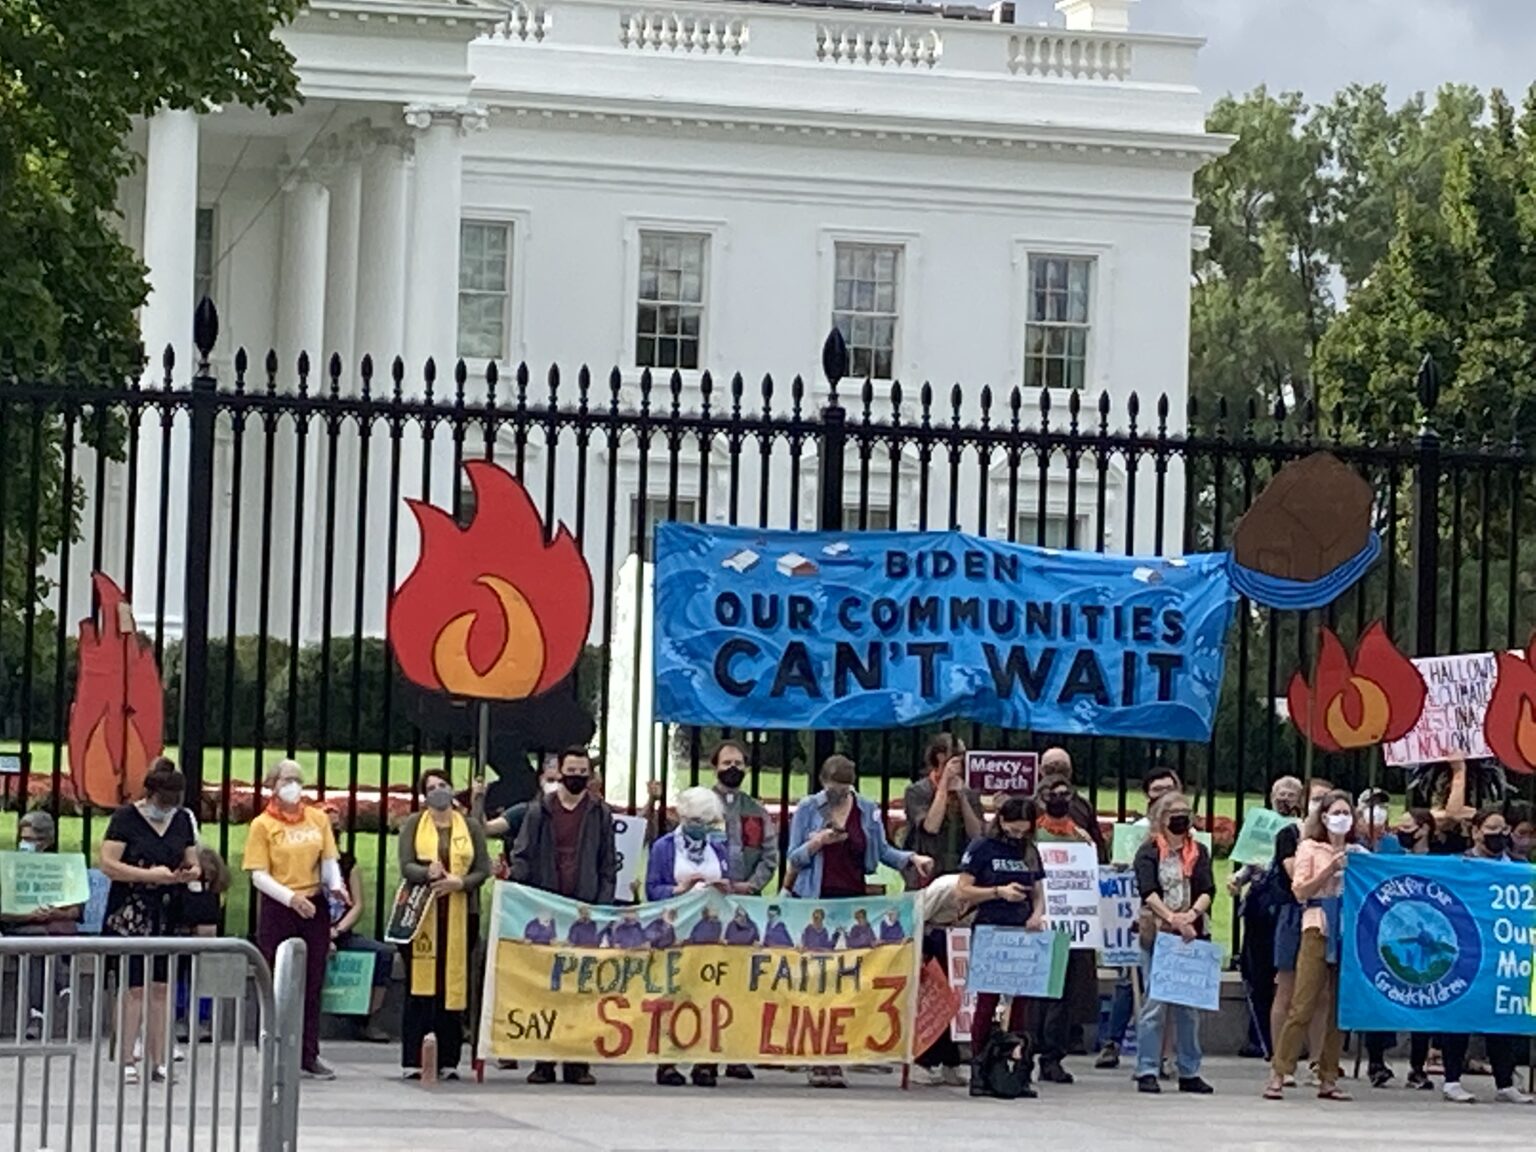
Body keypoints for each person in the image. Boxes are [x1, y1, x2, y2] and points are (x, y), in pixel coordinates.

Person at [787, 754, 932, 1087]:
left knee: (846, 981)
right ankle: (814, 1057)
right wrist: (816, 843)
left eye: (845, 788)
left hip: (853, 903)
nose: (838, 794)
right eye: (833, 788)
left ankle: (837, 1056)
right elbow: (793, 857)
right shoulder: (809, 808)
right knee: (818, 981)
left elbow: (881, 851)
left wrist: (912, 858)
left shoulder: (867, 810)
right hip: (817, 901)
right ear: (823, 782)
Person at [509, 746, 616, 1087]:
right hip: (547, 906)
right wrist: (519, 892)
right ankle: (543, 1062)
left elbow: (607, 863)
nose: (576, 776)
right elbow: (523, 853)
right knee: (546, 988)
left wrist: (602, 905)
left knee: (581, 989)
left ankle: (577, 1064)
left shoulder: (600, 813)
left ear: (590, 775)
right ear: (560, 772)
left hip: (584, 909)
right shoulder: (540, 810)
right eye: (571, 769)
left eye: (582, 771)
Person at [242, 758, 349, 1081]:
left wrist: (336, 886)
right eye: (286, 779)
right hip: (280, 905)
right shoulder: (263, 825)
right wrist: (290, 899)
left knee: (312, 980)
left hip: (312, 903)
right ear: (273, 785)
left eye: (297, 780)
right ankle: (272, 1047)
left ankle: (308, 1053)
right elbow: (258, 875)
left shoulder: (317, 819)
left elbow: (328, 859)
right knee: (276, 979)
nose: (293, 786)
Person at [98, 759, 200, 1084]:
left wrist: (185, 873)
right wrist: (148, 875)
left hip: (166, 909)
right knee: (134, 988)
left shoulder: (182, 820)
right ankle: (128, 1057)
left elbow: (193, 861)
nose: (166, 809)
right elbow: (109, 864)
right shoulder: (126, 818)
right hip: (130, 911)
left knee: (161, 987)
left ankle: (159, 1060)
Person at [398, 768, 492, 1080]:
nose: (439, 791)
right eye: (432, 787)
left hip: (461, 913)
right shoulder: (414, 823)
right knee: (420, 986)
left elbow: (483, 868)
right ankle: (414, 1058)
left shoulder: (470, 826)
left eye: (443, 785)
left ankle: (449, 1058)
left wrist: (460, 882)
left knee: (452, 987)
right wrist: (427, 873)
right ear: (425, 795)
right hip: (421, 915)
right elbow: (406, 865)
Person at [1264, 789, 1355, 1101]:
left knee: (1338, 1007)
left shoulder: (1358, 852)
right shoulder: (1310, 848)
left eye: (1347, 812)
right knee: (1304, 1001)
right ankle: (1280, 1069)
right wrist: (1330, 869)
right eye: (1337, 813)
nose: (1342, 819)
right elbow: (1300, 890)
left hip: (1348, 930)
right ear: (1325, 817)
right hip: (1318, 925)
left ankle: (1328, 1074)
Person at [1437, 809, 1533, 1105]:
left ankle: (1505, 1082)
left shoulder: (1520, 866)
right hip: (1466, 951)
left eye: (1504, 829)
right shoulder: (1460, 864)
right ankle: (1452, 1079)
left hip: (1504, 952)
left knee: (1500, 1016)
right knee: (1460, 1015)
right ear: (1476, 831)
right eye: (1492, 828)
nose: (1499, 835)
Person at [954, 797, 1046, 1099]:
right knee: (988, 1000)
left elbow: (1038, 891)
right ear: (1002, 822)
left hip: (1022, 929)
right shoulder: (983, 847)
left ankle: (1018, 1068)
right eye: (1013, 829)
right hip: (992, 926)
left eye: (1024, 831)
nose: (1018, 836)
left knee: (1021, 1002)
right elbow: (963, 889)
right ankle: (980, 1068)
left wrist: (1036, 914)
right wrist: (997, 892)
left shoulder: (1029, 850)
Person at [1098, 766, 1185, 1070]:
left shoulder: (1192, 839)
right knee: (1131, 982)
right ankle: (1117, 1043)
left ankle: (1167, 1054)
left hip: (1181, 925)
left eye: (1168, 788)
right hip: (1140, 918)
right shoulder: (1139, 836)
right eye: (1156, 789)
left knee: (1173, 991)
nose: (1162, 794)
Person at [646, 786, 730, 1088]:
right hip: (676, 934)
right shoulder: (664, 848)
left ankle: (706, 1061)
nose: (701, 827)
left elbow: (727, 880)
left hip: (709, 934)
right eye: (695, 820)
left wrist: (725, 887)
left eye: (707, 821)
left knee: (709, 996)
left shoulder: (717, 849)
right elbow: (652, 890)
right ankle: (667, 1061)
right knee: (673, 995)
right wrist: (678, 891)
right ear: (682, 816)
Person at [1133, 791, 1216, 1095]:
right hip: (1159, 933)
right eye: (1175, 813)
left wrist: (1191, 915)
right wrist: (1172, 918)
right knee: (1155, 1004)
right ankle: (1147, 1068)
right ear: (1161, 818)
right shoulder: (1149, 852)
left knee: (1189, 1008)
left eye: (1186, 812)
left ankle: (1189, 1069)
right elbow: (1148, 890)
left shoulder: (1199, 851)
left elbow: (1208, 888)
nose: (1181, 818)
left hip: (1193, 935)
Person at [1225, 775, 1303, 1060]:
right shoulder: (1259, 826)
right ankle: (1260, 1039)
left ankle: (1287, 1042)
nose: (1285, 798)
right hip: (1260, 908)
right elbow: (1248, 866)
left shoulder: (1301, 830)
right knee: (1257, 976)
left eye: (1291, 794)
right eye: (1280, 793)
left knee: (1287, 977)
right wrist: (1236, 879)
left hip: (1288, 907)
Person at [1031, 772, 1098, 1084]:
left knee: (1061, 994)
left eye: (1065, 795)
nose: (1060, 801)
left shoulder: (1080, 837)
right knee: (1035, 994)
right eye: (1053, 795)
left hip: (1068, 926)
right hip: (1038, 921)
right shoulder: (1033, 835)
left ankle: (1052, 1056)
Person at [1363, 806, 1435, 1091]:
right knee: (1381, 995)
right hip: (1391, 935)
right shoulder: (1389, 856)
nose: (1401, 833)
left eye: (1408, 827)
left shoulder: (1440, 860)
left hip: (1427, 939)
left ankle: (1418, 1067)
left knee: (1425, 998)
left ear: (1425, 829)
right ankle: (1376, 1062)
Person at [1268, 775, 1332, 1083]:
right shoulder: (1289, 835)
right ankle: (1282, 1058)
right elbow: (1296, 878)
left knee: (1321, 996)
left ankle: (1319, 1059)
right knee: (1288, 990)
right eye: (1317, 799)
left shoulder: (1339, 840)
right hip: (1295, 915)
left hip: (1328, 915)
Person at [1, 812, 83, 1039]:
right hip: (20, 927)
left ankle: (36, 1015)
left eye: (33, 839)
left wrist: (55, 912)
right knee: (39, 940)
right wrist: (27, 915)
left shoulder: (60, 868)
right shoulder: (8, 868)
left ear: (47, 842)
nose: (26, 843)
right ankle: (63, 986)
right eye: (23, 838)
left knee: (39, 946)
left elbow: (76, 910)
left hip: (51, 930)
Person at [319, 807, 394, 1043]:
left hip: (340, 931)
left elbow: (357, 905)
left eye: (337, 829)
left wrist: (337, 931)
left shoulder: (348, 863)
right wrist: (322, 936)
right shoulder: (304, 864)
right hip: (311, 931)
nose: (334, 833)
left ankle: (368, 1020)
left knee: (383, 954)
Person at [903, 733, 985, 880]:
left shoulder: (969, 792)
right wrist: (944, 785)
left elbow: (976, 834)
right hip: (927, 870)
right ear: (941, 757)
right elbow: (931, 827)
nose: (962, 760)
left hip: (961, 868)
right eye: (958, 755)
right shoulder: (917, 791)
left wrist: (962, 797)